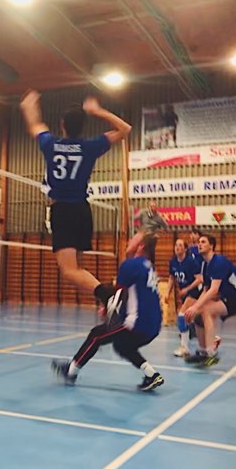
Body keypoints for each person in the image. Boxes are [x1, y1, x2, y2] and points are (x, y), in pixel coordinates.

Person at [20, 89, 131, 306]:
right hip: (82, 211)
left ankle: (109, 296)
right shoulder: (90, 147)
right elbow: (125, 129)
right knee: (76, 269)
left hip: (63, 212)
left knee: (69, 271)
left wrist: (29, 106)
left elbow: (35, 124)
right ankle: (107, 301)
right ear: (83, 127)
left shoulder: (50, 143)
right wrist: (98, 111)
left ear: (62, 124)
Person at [51, 236, 164, 391]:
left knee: (96, 335)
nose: (128, 241)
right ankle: (152, 374)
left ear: (141, 246)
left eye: (132, 240)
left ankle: (71, 372)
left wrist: (109, 311)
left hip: (137, 323)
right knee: (121, 346)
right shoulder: (149, 266)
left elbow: (120, 294)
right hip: (154, 326)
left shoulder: (130, 265)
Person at [184, 234, 236, 367]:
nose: (199, 244)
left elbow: (214, 290)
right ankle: (202, 352)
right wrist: (194, 307)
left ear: (211, 246)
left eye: (203, 242)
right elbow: (206, 290)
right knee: (198, 314)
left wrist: (196, 307)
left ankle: (211, 354)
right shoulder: (205, 265)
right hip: (228, 297)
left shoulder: (219, 262)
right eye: (199, 242)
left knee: (206, 311)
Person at [164, 238, 203, 357]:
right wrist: (167, 292)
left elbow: (200, 279)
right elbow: (172, 278)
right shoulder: (173, 262)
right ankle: (212, 340)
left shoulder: (191, 262)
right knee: (192, 321)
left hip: (195, 292)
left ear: (185, 249)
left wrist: (187, 289)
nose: (177, 247)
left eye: (180, 245)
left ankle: (184, 348)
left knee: (181, 317)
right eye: (176, 245)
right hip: (184, 294)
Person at [126, 199, 168, 265]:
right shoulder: (143, 212)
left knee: (149, 253)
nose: (152, 208)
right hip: (141, 234)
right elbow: (133, 218)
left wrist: (159, 233)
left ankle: (151, 265)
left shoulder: (159, 216)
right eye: (151, 206)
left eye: (154, 206)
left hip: (151, 236)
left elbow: (166, 226)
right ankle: (131, 264)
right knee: (131, 250)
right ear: (148, 207)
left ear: (156, 208)